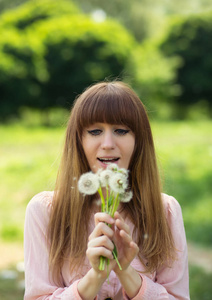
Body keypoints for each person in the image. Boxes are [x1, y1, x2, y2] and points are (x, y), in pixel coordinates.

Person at [24, 81, 190, 300]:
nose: (108, 143)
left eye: (121, 131)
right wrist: (95, 277)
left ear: (139, 141)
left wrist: (125, 271)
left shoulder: (166, 211)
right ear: (78, 141)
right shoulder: (45, 211)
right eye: (95, 131)